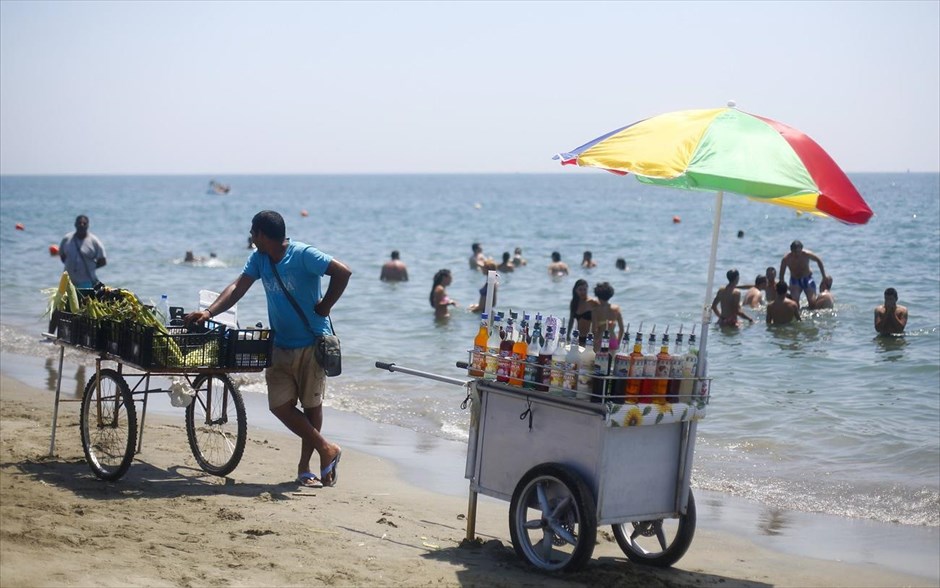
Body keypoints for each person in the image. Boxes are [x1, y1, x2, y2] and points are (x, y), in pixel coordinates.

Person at [184, 211, 347, 488]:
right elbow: (238, 287)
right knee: (280, 406)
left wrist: (326, 305)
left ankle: (306, 466)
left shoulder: (303, 254)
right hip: (280, 343)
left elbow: (342, 272)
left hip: (312, 341)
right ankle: (326, 448)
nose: (250, 237)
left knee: (311, 405)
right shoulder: (259, 259)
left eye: (252, 232)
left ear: (261, 234)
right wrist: (209, 312)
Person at [59, 215, 107, 289]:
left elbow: (102, 261)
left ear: (88, 225)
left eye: (84, 223)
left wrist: (91, 267)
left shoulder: (94, 241)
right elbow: (62, 257)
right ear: (75, 224)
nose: (81, 225)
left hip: (86, 282)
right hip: (67, 282)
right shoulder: (67, 239)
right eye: (79, 223)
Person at [779, 240, 827, 309]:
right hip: (794, 280)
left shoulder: (806, 254)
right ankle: (798, 316)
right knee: (795, 302)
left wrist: (824, 276)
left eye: (798, 252)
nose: (797, 254)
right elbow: (781, 274)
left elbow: (818, 260)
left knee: (812, 302)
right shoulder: (786, 259)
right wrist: (783, 287)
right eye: (794, 252)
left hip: (807, 279)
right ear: (791, 250)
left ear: (801, 249)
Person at [589, 282, 624, 351]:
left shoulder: (595, 311)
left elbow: (594, 329)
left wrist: (595, 341)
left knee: (598, 361)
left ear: (597, 295)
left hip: (600, 340)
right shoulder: (616, 309)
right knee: (611, 361)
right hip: (613, 339)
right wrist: (618, 342)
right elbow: (622, 329)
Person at [567, 279, 597, 344]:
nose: (583, 292)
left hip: (590, 338)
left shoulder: (592, 302)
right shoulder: (574, 303)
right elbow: (571, 320)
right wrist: (568, 334)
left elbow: (599, 321)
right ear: (576, 290)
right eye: (580, 290)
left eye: (585, 289)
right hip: (577, 338)